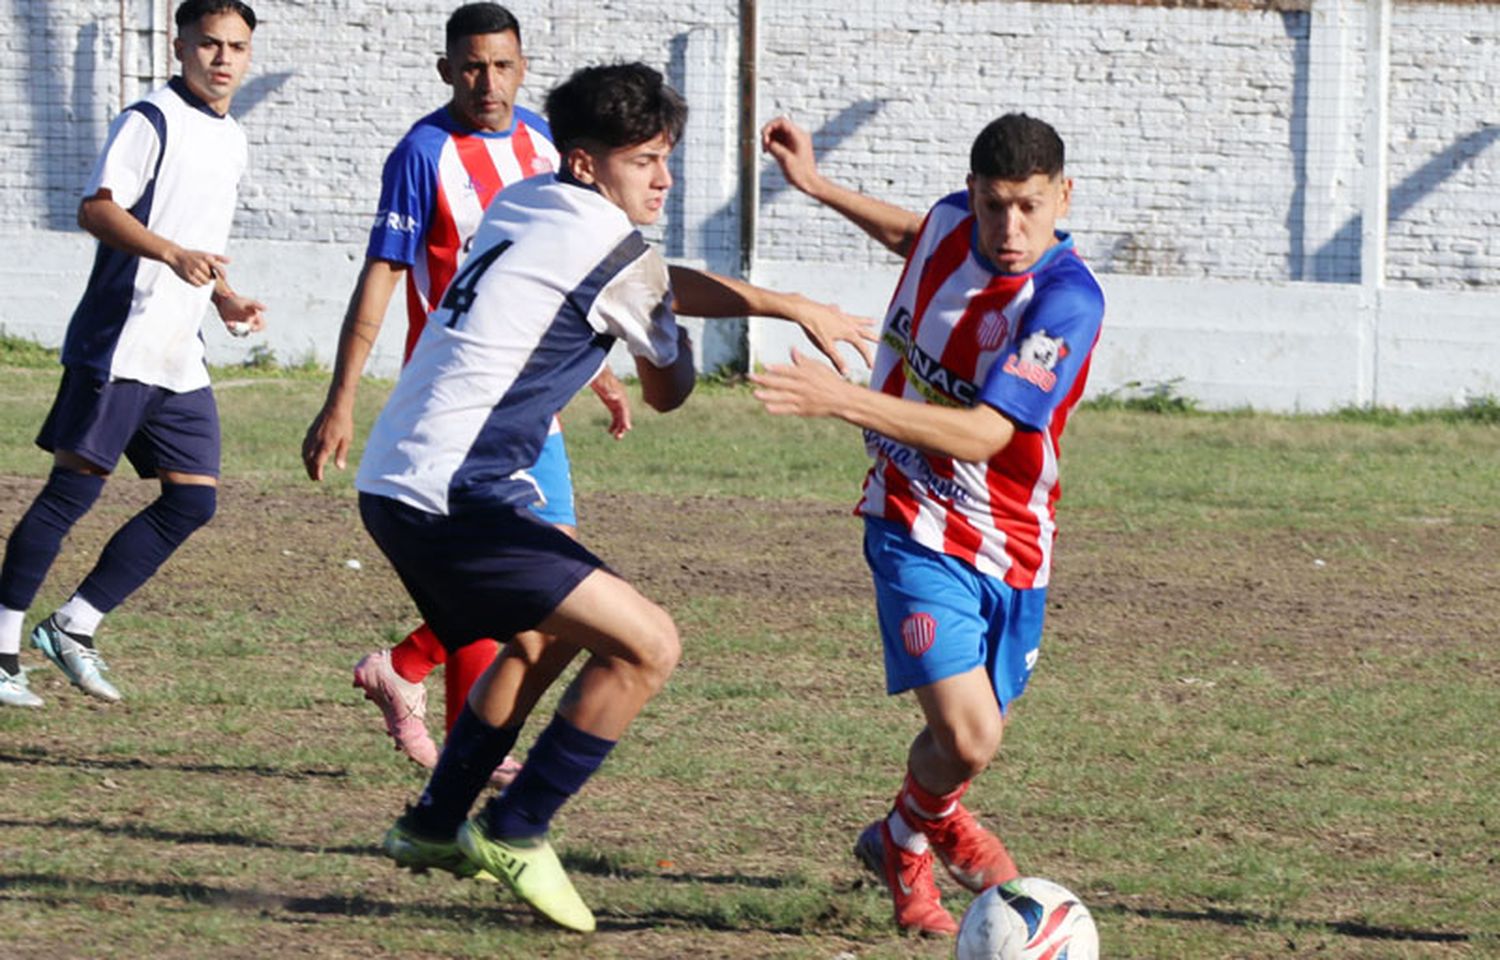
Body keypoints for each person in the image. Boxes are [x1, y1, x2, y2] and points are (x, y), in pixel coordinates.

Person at [359, 63, 873, 932]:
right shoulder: (617, 254)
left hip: (399, 480)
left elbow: (648, 278)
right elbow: (668, 384)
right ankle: (517, 830)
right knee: (649, 645)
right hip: (456, 493)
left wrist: (777, 302)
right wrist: (670, 339)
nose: (664, 179)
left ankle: (435, 821)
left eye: (667, 157)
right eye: (644, 160)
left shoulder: (527, 198)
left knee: (543, 637)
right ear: (589, 165)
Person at [752, 113, 1105, 936]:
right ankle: (918, 847)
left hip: (1012, 538)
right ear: (971, 193)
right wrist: (816, 187)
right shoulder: (953, 221)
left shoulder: (1064, 302)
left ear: (1063, 197)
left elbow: (989, 434)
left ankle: (905, 831)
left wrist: (843, 399)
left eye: (1028, 206)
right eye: (991, 206)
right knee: (971, 736)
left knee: (964, 745)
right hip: (909, 516)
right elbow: (916, 231)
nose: (1008, 229)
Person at [299, 2, 627, 780]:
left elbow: (564, 268)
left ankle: (412, 675)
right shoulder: (422, 153)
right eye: (473, 66)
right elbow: (382, 272)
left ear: (523, 67)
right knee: (532, 572)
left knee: (553, 569)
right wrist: (341, 396)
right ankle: (463, 744)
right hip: (457, 407)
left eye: (503, 65)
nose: (489, 81)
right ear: (447, 69)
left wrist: (598, 367)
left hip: (532, 401)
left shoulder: (545, 144)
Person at [0, 0, 265, 709]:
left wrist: (226, 297)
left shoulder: (231, 137)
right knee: (72, 494)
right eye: (209, 44)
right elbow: (98, 208)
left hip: (178, 352)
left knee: (193, 501)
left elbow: (196, 237)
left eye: (235, 47)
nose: (222, 59)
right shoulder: (149, 120)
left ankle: (73, 626)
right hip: (120, 340)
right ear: (179, 47)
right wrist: (169, 252)